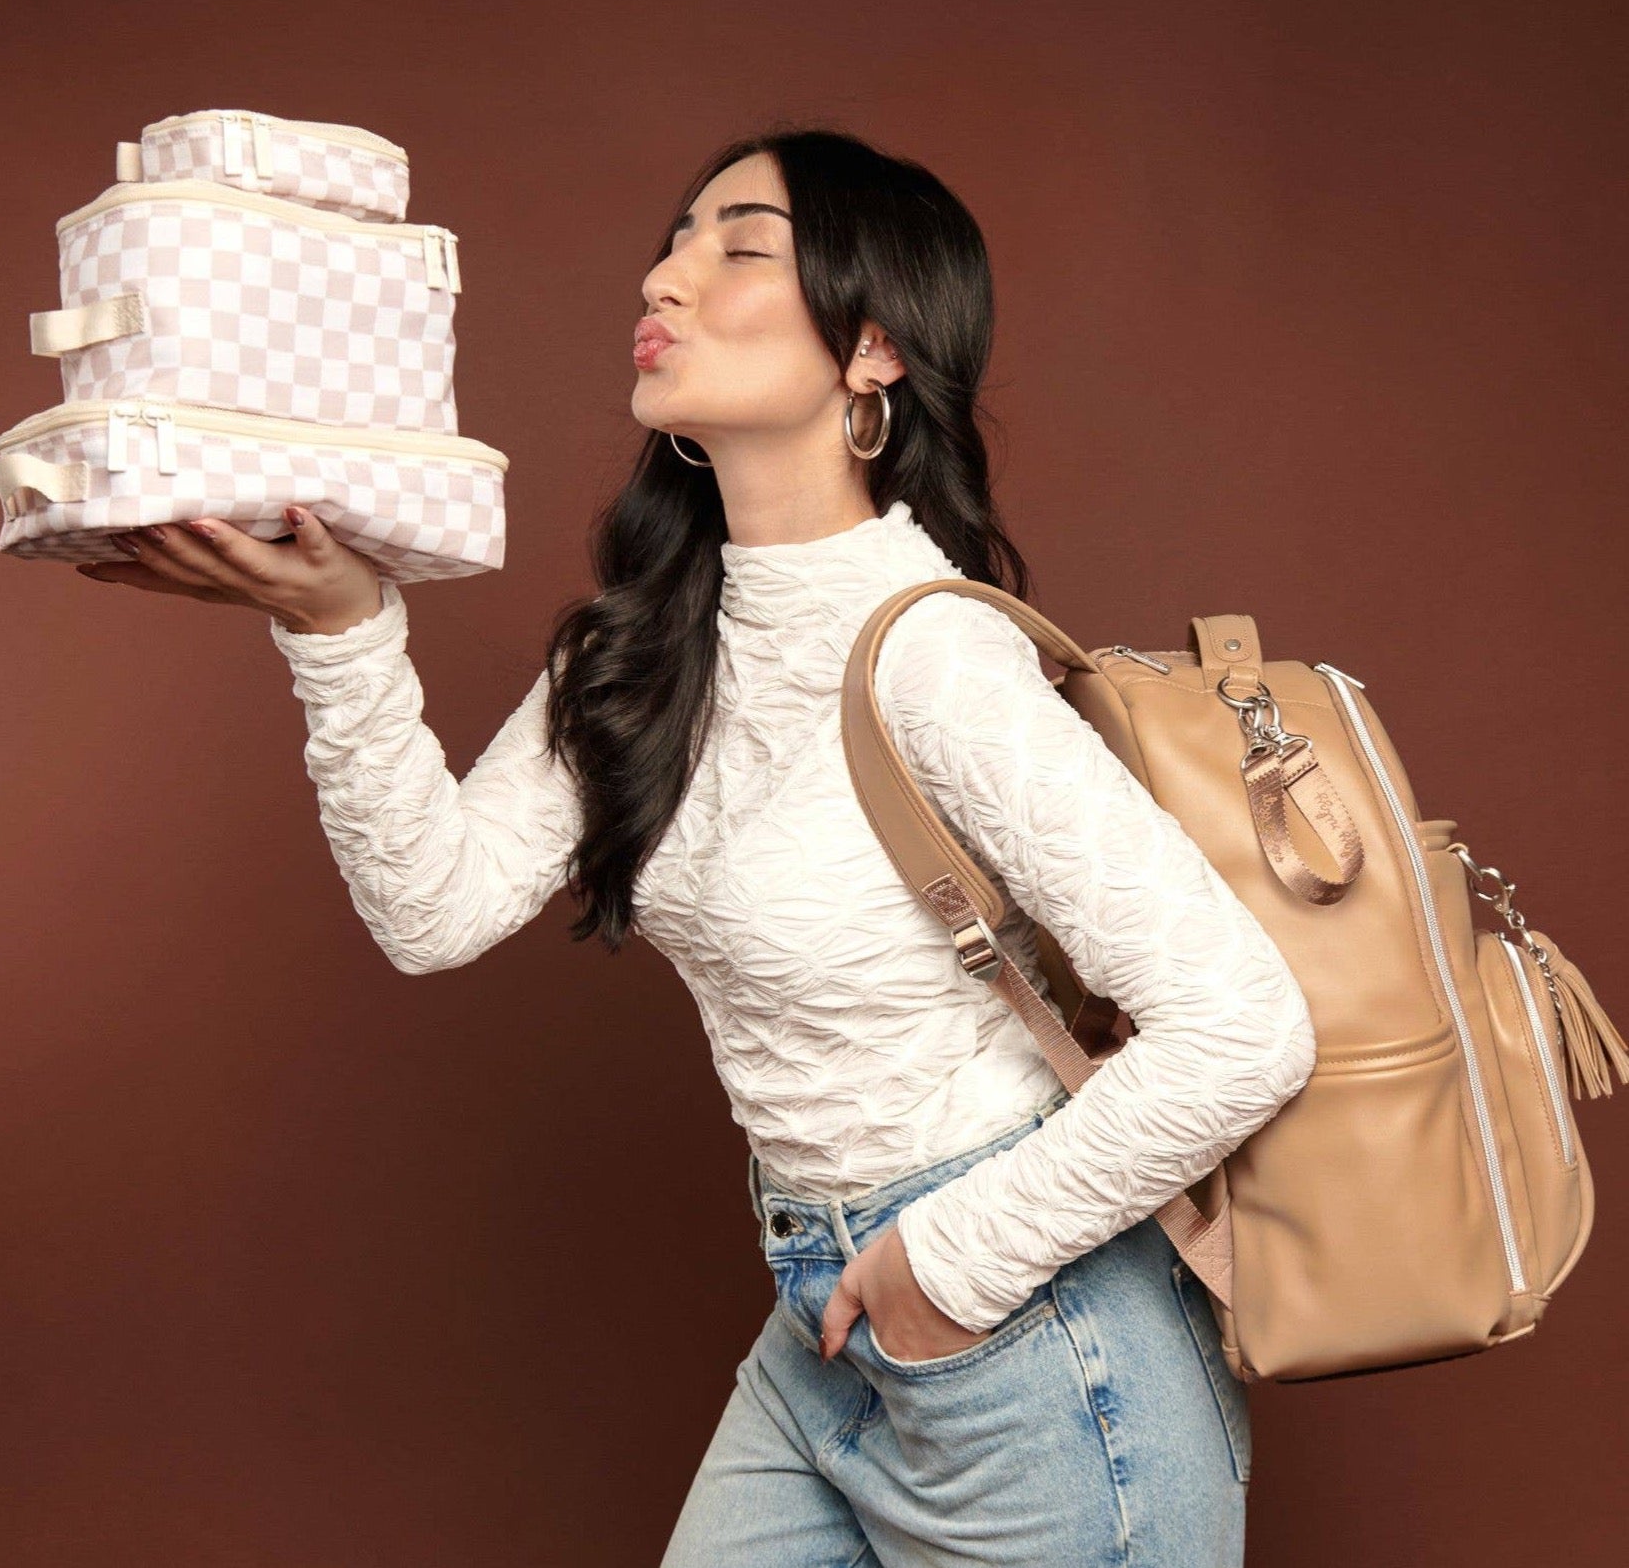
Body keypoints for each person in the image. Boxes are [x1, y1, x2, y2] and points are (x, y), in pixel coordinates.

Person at [75, 126, 1316, 1566]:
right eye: (674, 237)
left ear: (876, 353)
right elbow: (436, 907)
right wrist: (340, 631)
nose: (666, 272)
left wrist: (946, 1269)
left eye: (740, 247)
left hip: (1036, 1347)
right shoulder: (655, 648)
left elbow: (1241, 1028)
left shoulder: (935, 661)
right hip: (827, 1318)